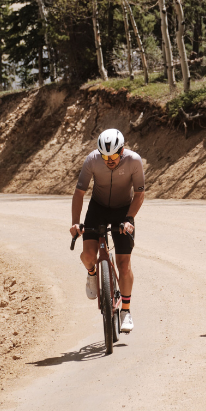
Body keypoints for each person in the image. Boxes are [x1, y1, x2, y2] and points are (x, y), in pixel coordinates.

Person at [70, 128, 146, 333]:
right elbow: (79, 192)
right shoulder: (92, 160)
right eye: (105, 155)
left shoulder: (134, 161)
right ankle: (92, 273)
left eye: (113, 155)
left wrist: (129, 219)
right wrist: (76, 223)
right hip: (98, 209)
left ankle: (126, 311)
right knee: (87, 254)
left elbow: (139, 194)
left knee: (124, 263)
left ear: (121, 151)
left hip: (123, 211)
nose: (109, 160)